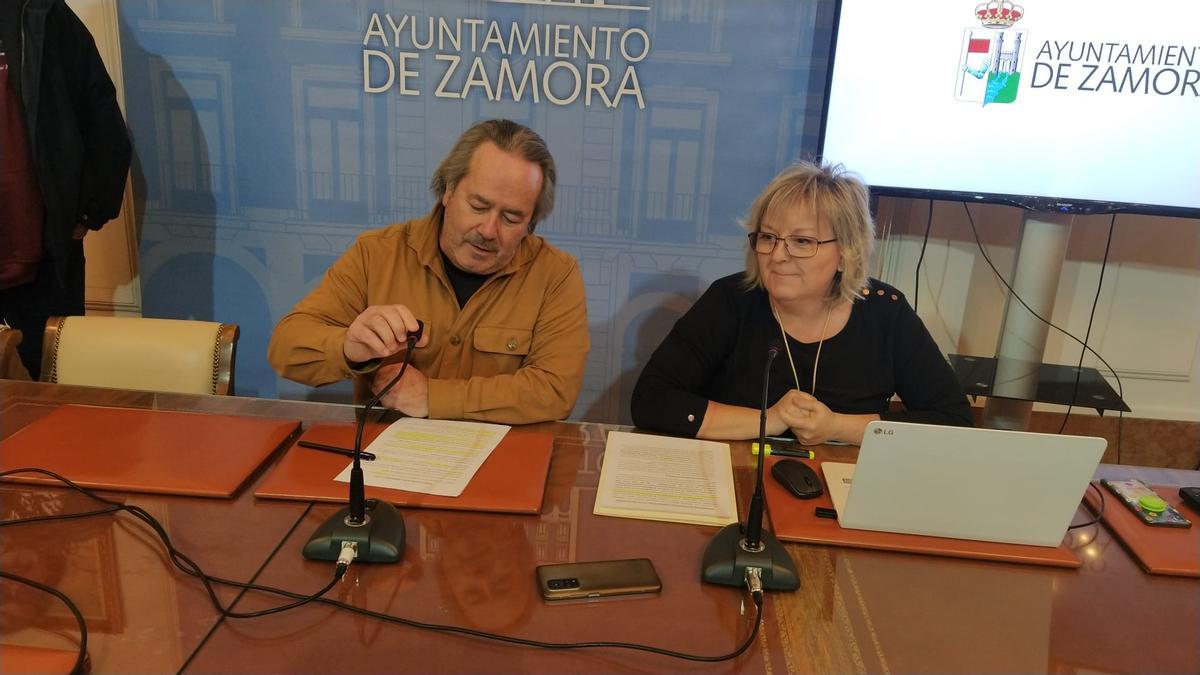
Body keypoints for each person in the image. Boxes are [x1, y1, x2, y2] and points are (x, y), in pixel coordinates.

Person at [268, 119, 589, 424]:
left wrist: (431, 397)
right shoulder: (377, 253)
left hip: (503, 463)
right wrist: (348, 348)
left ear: (531, 222)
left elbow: (555, 391)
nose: (489, 230)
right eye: (478, 206)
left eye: (511, 218)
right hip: (387, 460)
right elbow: (286, 348)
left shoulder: (555, 275)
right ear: (448, 189)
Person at [631, 161, 972, 444]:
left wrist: (837, 426)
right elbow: (651, 401)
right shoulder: (731, 301)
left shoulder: (886, 313)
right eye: (768, 237)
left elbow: (952, 421)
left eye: (802, 241)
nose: (778, 256)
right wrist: (771, 419)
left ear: (845, 253)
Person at [0, 0, 132, 380]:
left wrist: (88, 213)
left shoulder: (42, 14)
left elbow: (102, 121)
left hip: (45, 257)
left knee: (58, 392)